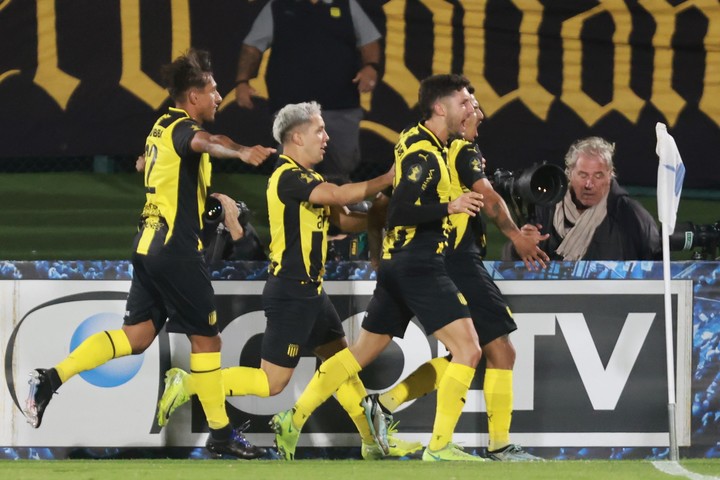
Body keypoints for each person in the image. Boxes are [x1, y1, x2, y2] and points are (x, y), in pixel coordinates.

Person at [24, 48, 275, 459]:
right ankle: (222, 434)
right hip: (175, 251)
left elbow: (162, 168)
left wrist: (203, 196)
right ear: (193, 96)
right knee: (208, 341)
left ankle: (50, 379)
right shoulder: (185, 130)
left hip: (147, 246)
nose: (219, 96)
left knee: (137, 337)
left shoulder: (158, 127)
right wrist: (242, 151)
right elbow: (208, 142)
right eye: (213, 90)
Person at [156, 101, 422, 460]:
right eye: (319, 130)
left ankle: (373, 442)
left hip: (310, 291)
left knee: (341, 367)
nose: (326, 137)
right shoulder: (287, 176)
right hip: (291, 292)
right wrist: (388, 179)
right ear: (296, 137)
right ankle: (189, 384)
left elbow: (343, 221)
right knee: (272, 383)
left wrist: (382, 217)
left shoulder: (311, 179)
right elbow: (343, 196)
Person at [269, 74, 487, 462]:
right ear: (441, 108)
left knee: (355, 356)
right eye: (464, 103)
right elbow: (399, 209)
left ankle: (295, 416)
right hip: (418, 263)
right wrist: (448, 207)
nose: (471, 110)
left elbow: (376, 210)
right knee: (468, 350)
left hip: (398, 264)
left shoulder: (420, 142)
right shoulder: (423, 154)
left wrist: (376, 245)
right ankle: (437, 446)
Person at [364, 91, 546, 461]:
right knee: (498, 351)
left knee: (470, 353)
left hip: (446, 258)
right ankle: (495, 446)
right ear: (450, 114)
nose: (478, 113)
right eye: (470, 106)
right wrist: (514, 236)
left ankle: (385, 403)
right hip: (459, 261)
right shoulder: (461, 151)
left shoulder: (439, 148)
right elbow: (490, 198)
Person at [234, 0, 382, 181]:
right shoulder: (279, 6)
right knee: (293, 165)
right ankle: (290, 205)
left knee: (343, 164)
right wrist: (242, 81)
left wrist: (371, 67)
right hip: (291, 108)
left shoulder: (346, 4)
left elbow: (370, 40)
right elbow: (252, 46)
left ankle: (340, 204)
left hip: (341, 104)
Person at [504, 136, 662, 261]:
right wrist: (518, 247)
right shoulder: (546, 209)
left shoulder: (631, 215)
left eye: (598, 176)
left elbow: (659, 268)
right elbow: (511, 266)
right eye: (583, 175)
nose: (589, 184)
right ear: (570, 174)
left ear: (610, 176)